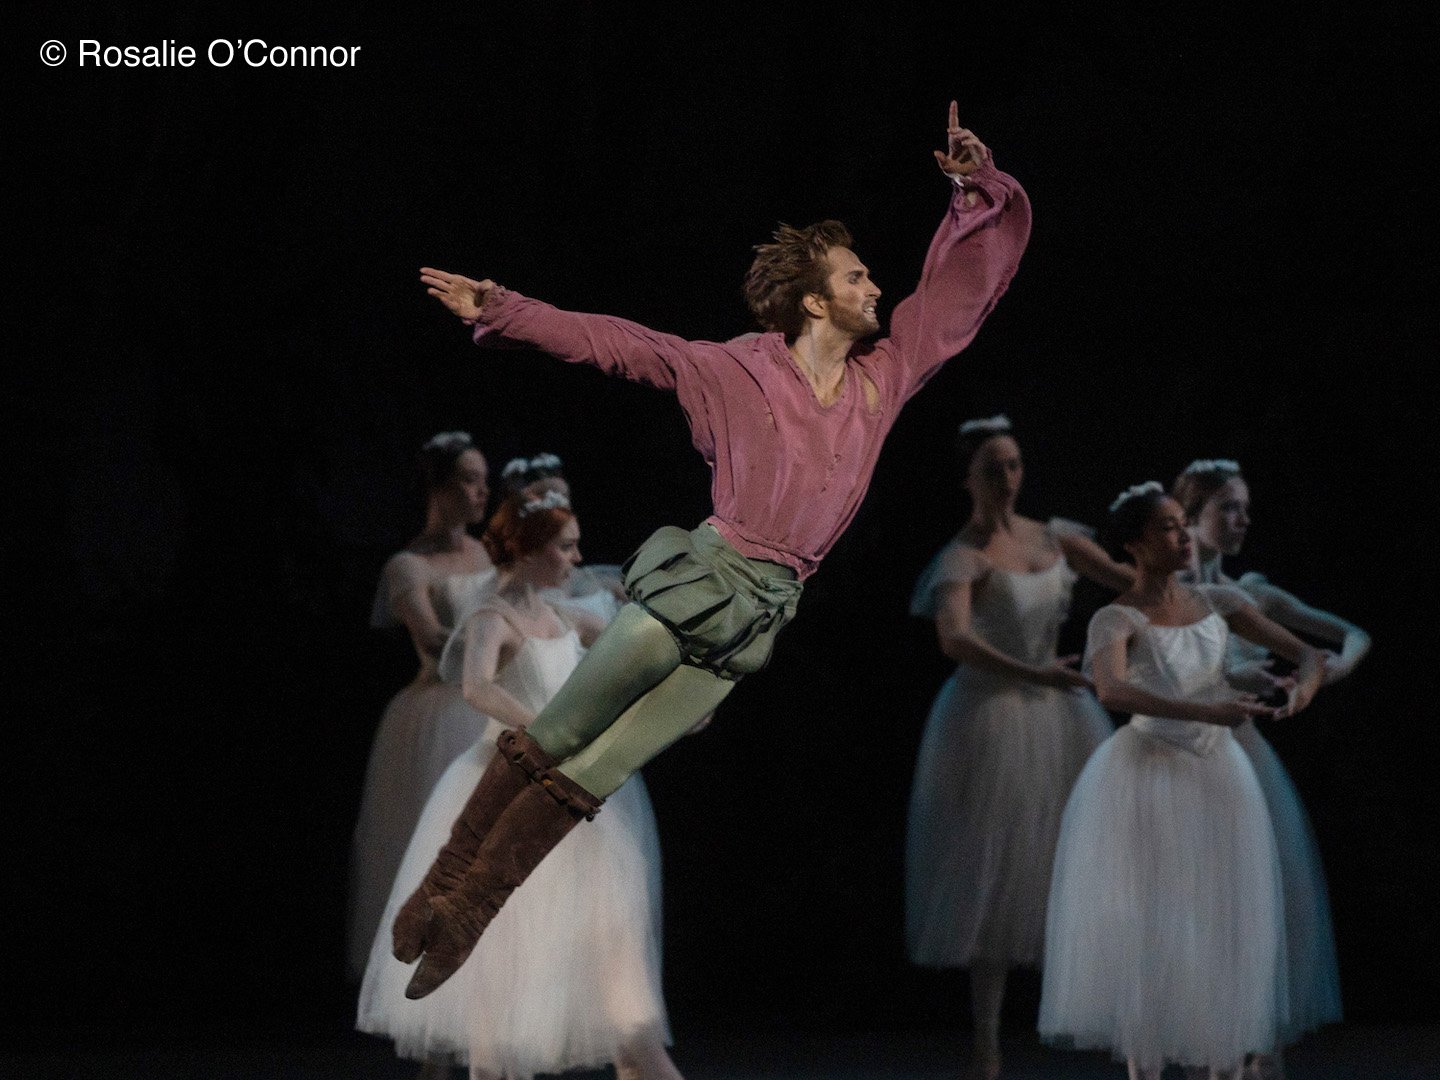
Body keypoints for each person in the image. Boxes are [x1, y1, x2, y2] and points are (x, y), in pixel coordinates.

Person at [399, 101, 1032, 998]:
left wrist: (976, 187)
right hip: (705, 579)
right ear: (815, 299)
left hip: (760, 614)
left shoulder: (881, 381)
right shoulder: (736, 370)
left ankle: (469, 915)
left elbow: (958, 299)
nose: (874, 290)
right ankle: (440, 885)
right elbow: (617, 344)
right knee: (564, 732)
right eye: (857, 279)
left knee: (604, 770)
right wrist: (503, 308)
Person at [359, 490, 682, 1080]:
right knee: (502, 975)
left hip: (568, 799)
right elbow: (477, 687)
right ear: (530, 552)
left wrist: (675, 681)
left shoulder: (560, 615)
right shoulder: (491, 618)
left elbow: (621, 651)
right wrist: (546, 729)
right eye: (565, 546)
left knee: (619, 978)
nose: (576, 557)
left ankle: (636, 1054)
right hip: (505, 785)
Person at [1038, 484, 1326, 1080]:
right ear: (1137, 545)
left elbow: (1309, 656)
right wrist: (1207, 709)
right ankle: (1147, 1065)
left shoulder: (1219, 601)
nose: (1182, 537)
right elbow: (1113, 690)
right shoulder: (1115, 617)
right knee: (1151, 926)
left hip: (1219, 776)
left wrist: (1300, 691)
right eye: (1168, 528)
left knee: (1224, 920)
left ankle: (1221, 1060)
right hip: (1146, 776)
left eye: (1181, 524)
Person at [905, 415, 1132, 1079]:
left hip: (1063, 714)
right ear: (968, 478)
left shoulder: (1055, 536)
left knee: (1077, 861)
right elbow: (954, 638)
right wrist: (1039, 673)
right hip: (993, 716)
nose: (1007, 479)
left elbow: (1128, 579)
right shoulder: (962, 556)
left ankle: (1099, 1015)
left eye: (1014, 465)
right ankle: (987, 1039)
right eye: (993, 468)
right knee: (992, 870)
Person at [1174, 458, 1361, 1075]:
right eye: (1227, 507)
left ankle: (1249, 1050)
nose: (1240, 519)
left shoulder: (1249, 591)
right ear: (1192, 514)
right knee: (1193, 912)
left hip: (1245, 763)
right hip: (1183, 763)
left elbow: (1349, 634)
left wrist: (1329, 671)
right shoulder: (1167, 594)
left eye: (1244, 508)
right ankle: (1208, 1046)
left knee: (1252, 910)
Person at [347, 432, 496, 977]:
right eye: (470, 480)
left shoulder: (489, 552)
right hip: (439, 712)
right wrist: (497, 641)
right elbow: (433, 639)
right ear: (438, 487)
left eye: (485, 480)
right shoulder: (408, 566)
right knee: (434, 848)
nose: (483, 492)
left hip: (492, 707)